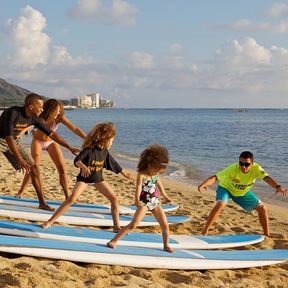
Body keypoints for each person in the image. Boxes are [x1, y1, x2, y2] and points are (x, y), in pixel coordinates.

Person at [41, 122, 134, 232]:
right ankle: (50, 221)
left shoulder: (104, 152)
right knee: (71, 199)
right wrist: (83, 167)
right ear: (105, 138)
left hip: (98, 179)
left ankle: (116, 226)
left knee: (114, 199)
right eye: (111, 140)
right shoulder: (89, 149)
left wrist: (125, 174)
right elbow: (77, 161)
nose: (112, 143)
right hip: (84, 179)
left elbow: (114, 164)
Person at [0, 93, 79, 211]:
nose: (42, 109)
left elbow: (52, 134)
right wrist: (20, 159)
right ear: (31, 107)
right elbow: (9, 137)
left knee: (34, 168)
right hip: (3, 140)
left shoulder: (35, 119)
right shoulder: (13, 113)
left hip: (14, 142)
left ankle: (42, 203)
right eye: (40, 107)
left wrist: (70, 147)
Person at [198, 151, 288, 237]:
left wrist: (278, 187)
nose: (243, 167)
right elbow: (216, 177)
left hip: (241, 193)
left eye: (247, 164)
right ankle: (205, 231)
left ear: (252, 164)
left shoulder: (257, 169)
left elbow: (266, 178)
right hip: (225, 188)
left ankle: (266, 234)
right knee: (220, 203)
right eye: (241, 164)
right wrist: (205, 184)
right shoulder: (233, 168)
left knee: (262, 208)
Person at [107, 144, 174, 253]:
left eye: (159, 172)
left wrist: (166, 197)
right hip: (144, 203)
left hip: (155, 203)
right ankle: (114, 240)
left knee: (165, 225)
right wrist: (136, 199)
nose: (157, 173)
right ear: (150, 165)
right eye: (156, 170)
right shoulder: (142, 174)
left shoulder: (156, 175)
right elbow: (138, 187)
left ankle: (166, 245)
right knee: (133, 224)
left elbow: (160, 187)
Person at [16, 99, 87, 199]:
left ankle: (67, 196)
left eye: (60, 110)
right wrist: (20, 133)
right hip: (38, 142)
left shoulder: (59, 118)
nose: (58, 112)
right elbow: (27, 125)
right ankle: (21, 191)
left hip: (51, 142)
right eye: (57, 110)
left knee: (62, 169)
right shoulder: (40, 116)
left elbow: (74, 128)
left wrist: (88, 138)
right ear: (50, 109)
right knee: (34, 166)